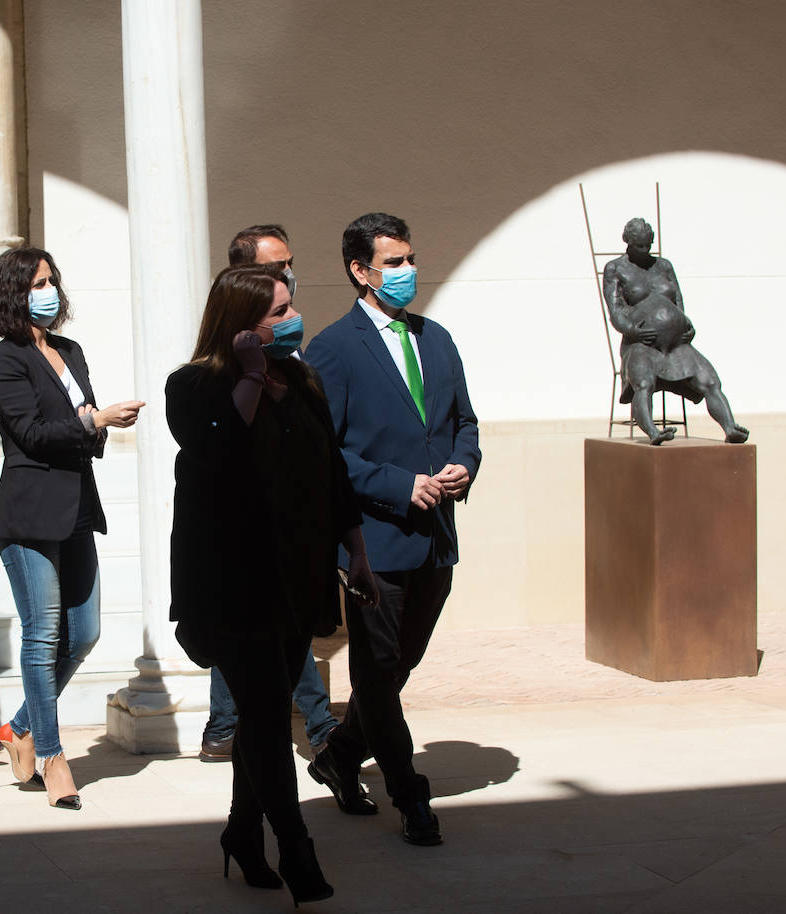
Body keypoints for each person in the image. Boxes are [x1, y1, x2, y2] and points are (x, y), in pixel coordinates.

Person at [168, 263, 378, 906]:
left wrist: (357, 550)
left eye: (291, 308)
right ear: (239, 327)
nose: (292, 321)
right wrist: (252, 377)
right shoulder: (194, 386)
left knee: (262, 715)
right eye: (276, 314)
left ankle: (240, 832)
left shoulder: (304, 379)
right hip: (233, 582)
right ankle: (296, 850)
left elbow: (331, 474)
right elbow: (217, 453)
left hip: (298, 576)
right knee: (262, 715)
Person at [305, 212, 482, 847]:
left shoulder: (436, 339)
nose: (408, 272)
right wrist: (396, 484)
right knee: (378, 672)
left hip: (435, 538)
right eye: (395, 263)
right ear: (361, 271)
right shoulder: (332, 348)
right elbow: (321, 454)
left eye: (410, 259)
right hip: (370, 542)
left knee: (396, 668)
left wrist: (466, 462)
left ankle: (338, 755)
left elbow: (464, 421)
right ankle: (409, 794)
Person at [0, 247, 144, 810]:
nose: (48, 291)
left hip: (76, 505)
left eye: (51, 280)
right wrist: (94, 421)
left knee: (85, 631)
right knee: (42, 634)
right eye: (35, 284)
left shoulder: (70, 351)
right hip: (29, 512)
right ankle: (51, 755)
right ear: (12, 294)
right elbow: (30, 432)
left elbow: (81, 430)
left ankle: (18, 728)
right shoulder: (5, 359)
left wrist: (94, 423)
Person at [200, 224, 340, 763]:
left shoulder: (299, 366)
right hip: (244, 540)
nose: (289, 278)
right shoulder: (206, 380)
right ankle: (315, 722)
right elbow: (222, 446)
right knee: (266, 633)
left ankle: (226, 725)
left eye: (289, 265)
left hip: (296, 531)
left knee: (282, 632)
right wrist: (254, 375)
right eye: (275, 269)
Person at [603, 217, 749, 445]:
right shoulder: (615, 268)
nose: (644, 250)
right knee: (643, 383)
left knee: (710, 381)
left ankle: (730, 428)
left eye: (647, 245)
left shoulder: (664, 266)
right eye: (639, 246)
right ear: (628, 243)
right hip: (641, 344)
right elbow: (616, 310)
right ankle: (653, 432)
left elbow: (678, 302)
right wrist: (633, 330)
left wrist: (685, 325)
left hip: (677, 345)